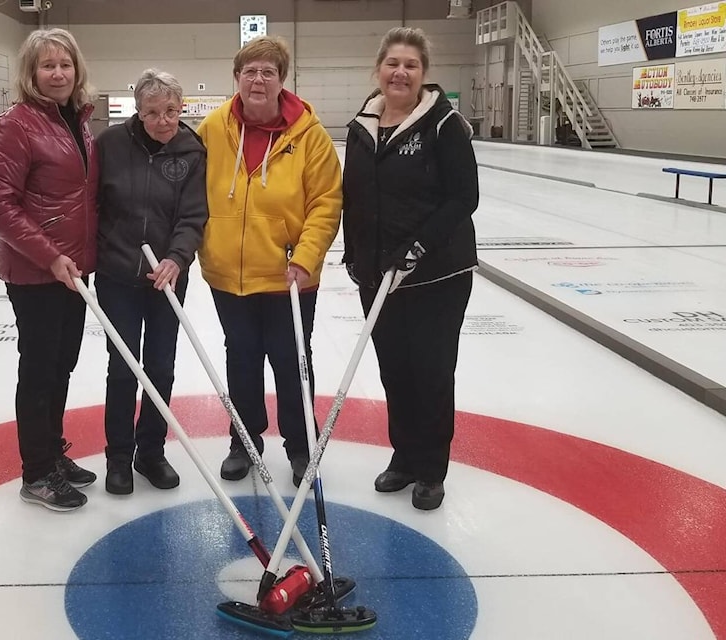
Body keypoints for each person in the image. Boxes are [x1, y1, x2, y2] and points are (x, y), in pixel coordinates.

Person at [342, 27, 478, 511]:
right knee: (394, 369)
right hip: (378, 276)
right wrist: (354, 251)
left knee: (432, 370)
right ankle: (403, 455)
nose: (401, 72)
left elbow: (464, 198)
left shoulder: (444, 124)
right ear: (378, 69)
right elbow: (353, 194)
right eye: (393, 63)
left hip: (436, 276)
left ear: (424, 74)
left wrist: (416, 249)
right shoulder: (364, 123)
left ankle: (431, 468)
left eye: (411, 65)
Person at [197, 36, 342, 488]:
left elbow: (326, 201)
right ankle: (244, 441)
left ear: (282, 79)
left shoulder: (309, 135)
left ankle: (300, 447)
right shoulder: (213, 128)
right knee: (240, 359)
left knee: (291, 361)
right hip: (229, 275)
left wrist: (307, 256)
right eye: (249, 71)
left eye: (268, 72)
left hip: (289, 277)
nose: (258, 79)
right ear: (236, 77)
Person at [0, 28, 99, 512]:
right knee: (39, 370)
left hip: (74, 270)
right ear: (31, 73)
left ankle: (53, 454)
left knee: (62, 365)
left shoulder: (77, 119)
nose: (58, 73)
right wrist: (49, 255)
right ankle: (36, 473)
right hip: (38, 273)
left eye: (65, 64)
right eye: (47, 65)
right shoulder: (16, 125)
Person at [94, 69, 207, 495]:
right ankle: (118, 457)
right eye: (153, 112)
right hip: (118, 276)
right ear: (138, 112)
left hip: (167, 279)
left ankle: (151, 453)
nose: (164, 120)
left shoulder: (191, 150)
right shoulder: (110, 145)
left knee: (160, 367)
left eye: (171, 111)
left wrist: (177, 258)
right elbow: (93, 204)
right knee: (122, 367)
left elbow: (193, 215)